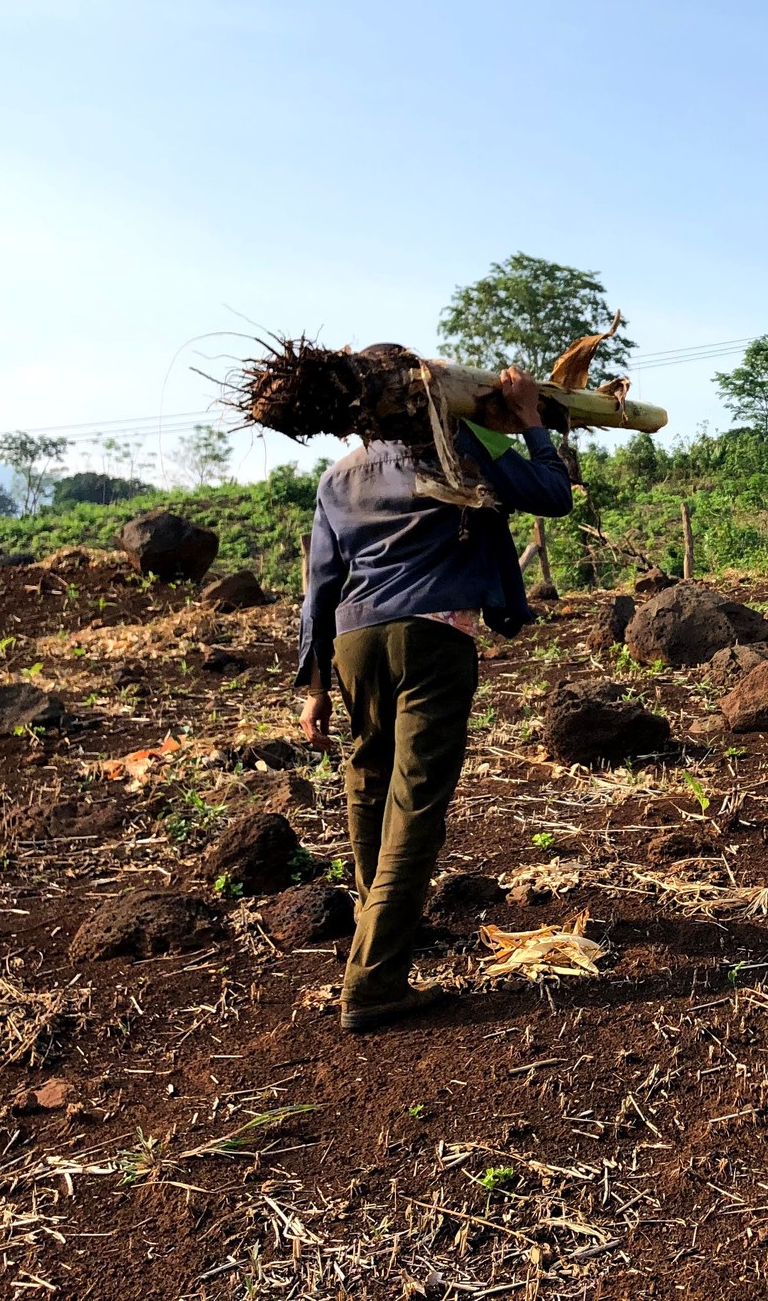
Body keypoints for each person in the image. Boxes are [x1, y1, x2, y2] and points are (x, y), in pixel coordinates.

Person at [296, 360, 572, 1032]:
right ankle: (374, 982)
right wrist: (532, 420)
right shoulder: (456, 450)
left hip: (353, 643)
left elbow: (319, 584)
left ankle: (380, 932)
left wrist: (313, 688)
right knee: (414, 804)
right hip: (433, 636)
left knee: (368, 783)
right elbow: (551, 494)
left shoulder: (338, 476)